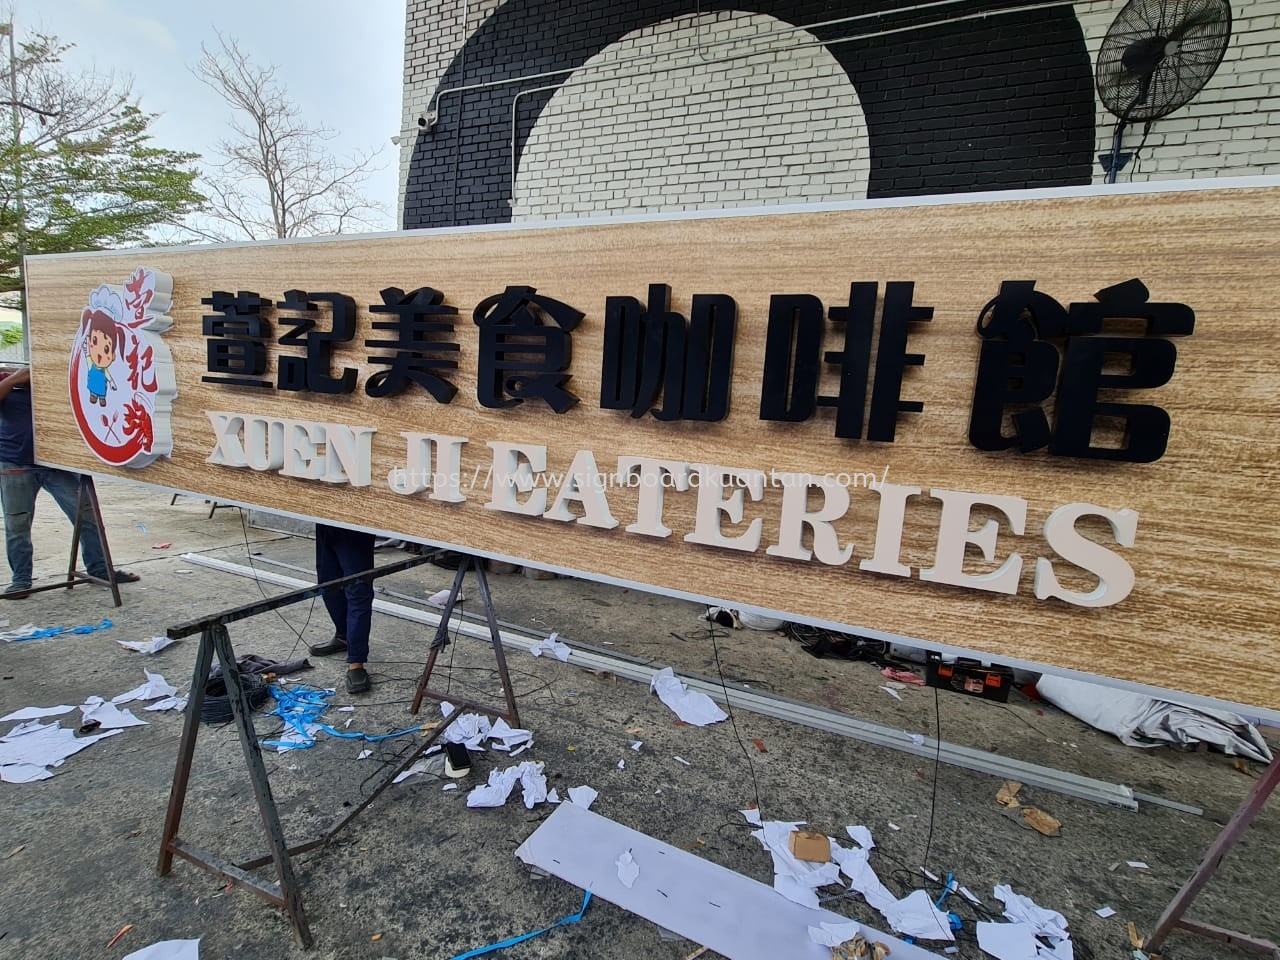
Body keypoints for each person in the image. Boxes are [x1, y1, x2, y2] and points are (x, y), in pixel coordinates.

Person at [0, 365, 141, 597]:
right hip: (16, 462)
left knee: (87, 515)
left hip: (56, 461)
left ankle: (100, 569)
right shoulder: (9, 379)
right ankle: (21, 579)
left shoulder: (52, 373)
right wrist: (17, 377)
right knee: (17, 525)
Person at [308, 523, 376, 694]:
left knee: (357, 589)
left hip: (355, 523)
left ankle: (356, 662)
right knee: (328, 583)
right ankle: (344, 636)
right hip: (325, 519)